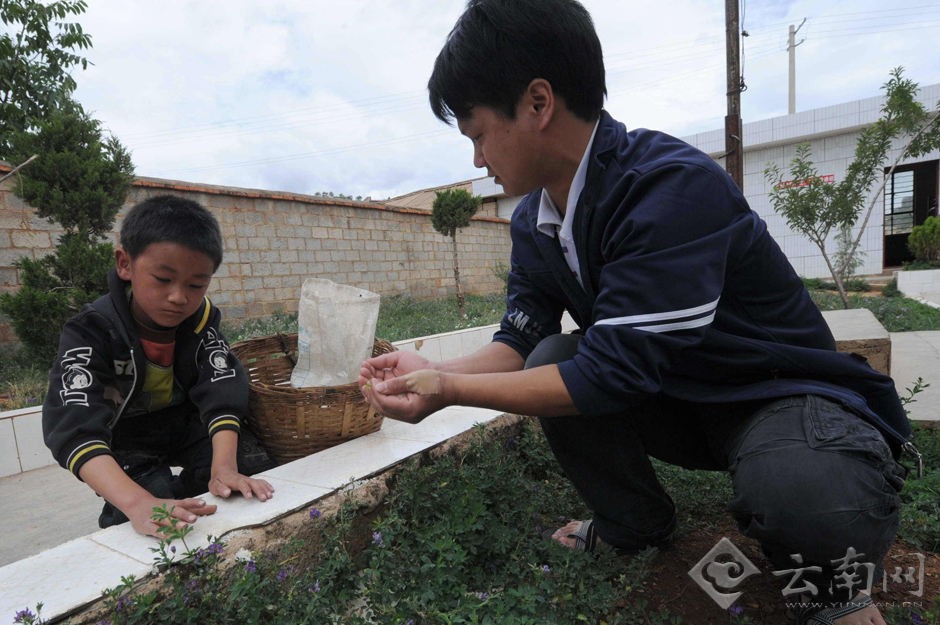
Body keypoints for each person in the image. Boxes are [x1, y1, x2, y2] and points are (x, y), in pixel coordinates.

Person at [359, 1, 915, 624]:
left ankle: (836, 589)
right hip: (680, 398)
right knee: (551, 356)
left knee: (805, 500)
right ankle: (636, 525)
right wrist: (427, 369)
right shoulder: (535, 222)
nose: (478, 160)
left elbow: (608, 375)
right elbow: (518, 343)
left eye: (479, 134)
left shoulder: (668, 187)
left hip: (778, 395)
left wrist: (450, 390)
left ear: (539, 103)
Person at [43, 194, 276, 537]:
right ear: (125, 264)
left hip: (184, 425)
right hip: (126, 440)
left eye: (197, 284)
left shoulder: (202, 323)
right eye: (163, 279)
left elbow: (222, 389)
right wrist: (137, 503)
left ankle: (197, 483)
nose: (179, 297)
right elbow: (73, 426)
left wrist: (223, 468)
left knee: (251, 465)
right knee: (151, 503)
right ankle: (132, 507)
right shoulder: (91, 331)